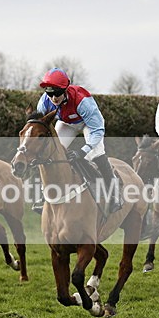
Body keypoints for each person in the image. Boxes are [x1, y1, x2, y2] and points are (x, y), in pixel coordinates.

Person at [36, 67, 122, 213]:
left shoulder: (83, 101)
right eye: (50, 93)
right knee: (50, 152)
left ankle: (115, 194)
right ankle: (44, 194)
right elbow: (41, 125)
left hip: (89, 125)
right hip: (66, 123)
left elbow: (97, 131)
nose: (53, 98)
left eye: (57, 93)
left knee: (96, 154)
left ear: (65, 89)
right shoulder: (44, 102)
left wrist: (83, 151)